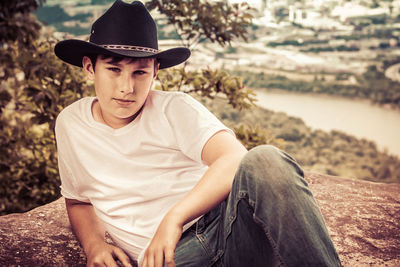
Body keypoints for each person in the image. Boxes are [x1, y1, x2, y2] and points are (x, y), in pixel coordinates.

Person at [54, 1, 341, 266]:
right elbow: (78, 199)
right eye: (114, 69)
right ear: (90, 68)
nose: (126, 87)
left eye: (139, 73)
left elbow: (233, 158)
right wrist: (94, 245)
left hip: (223, 232)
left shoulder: (174, 108)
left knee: (266, 160)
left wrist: (174, 218)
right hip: (170, 259)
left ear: (155, 72)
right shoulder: (71, 124)